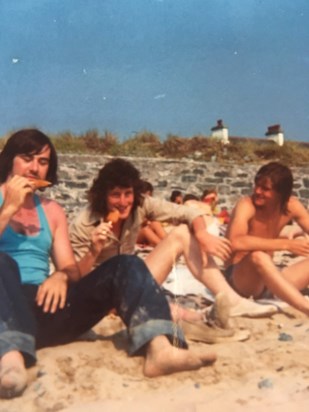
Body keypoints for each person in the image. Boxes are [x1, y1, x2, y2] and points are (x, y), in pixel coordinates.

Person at [0, 130, 217, 399]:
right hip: (4, 306)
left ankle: (159, 349)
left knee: (125, 264)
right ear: (9, 160)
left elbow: (71, 269)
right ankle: (9, 360)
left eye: (43, 162)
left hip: (42, 307)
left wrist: (62, 276)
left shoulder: (52, 211)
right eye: (27, 158)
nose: (34, 168)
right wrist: (8, 208)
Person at [69, 158, 278, 322]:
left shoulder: (140, 206)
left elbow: (189, 213)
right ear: (102, 195)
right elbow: (76, 280)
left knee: (183, 234)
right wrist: (93, 251)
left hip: (131, 280)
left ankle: (232, 300)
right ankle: (196, 317)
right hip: (101, 295)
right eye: (115, 195)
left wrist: (203, 236)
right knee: (164, 307)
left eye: (128, 194)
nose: (123, 202)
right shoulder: (83, 224)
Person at [225, 161, 309, 316]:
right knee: (259, 255)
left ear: (281, 193)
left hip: (269, 282)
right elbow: (235, 241)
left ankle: (280, 291)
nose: (257, 191)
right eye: (256, 185)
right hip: (241, 279)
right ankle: (305, 308)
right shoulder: (246, 205)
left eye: (265, 189)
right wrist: (286, 245)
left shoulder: (292, 206)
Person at [136, 180, 167, 247]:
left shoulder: (147, 205)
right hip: (133, 234)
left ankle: (170, 244)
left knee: (155, 224)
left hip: (141, 231)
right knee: (146, 231)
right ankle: (164, 248)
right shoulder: (135, 205)